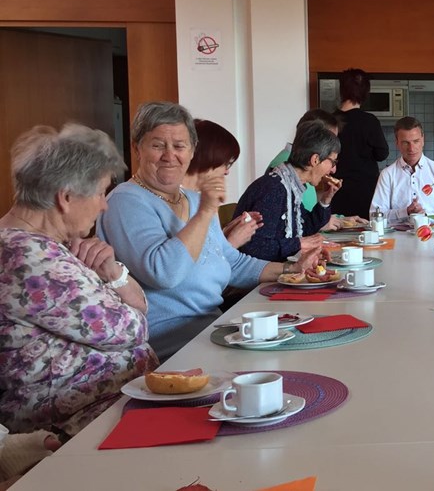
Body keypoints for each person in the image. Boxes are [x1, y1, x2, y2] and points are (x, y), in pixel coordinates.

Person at [98, 102, 321, 359]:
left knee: (307, 343)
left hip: (214, 329)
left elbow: (232, 262)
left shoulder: (192, 199)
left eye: (179, 146)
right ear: (138, 148)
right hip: (172, 344)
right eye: (157, 145)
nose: (170, 156)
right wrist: (205, 213)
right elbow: (163, 273)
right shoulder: (126, 201)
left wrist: (293, 269)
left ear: (192, 151)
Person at [0, 124, 157, 437]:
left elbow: (140, 306)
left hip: (107, 409)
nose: (104, 204)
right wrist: (119, 294)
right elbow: (133, 327)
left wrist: (112, 272)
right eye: (100, 192)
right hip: (75, 428)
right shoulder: (31, 259)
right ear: (66, 197)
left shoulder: (45, 245)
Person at [234, 120, 341, 261]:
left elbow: (305, 227)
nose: (333, 169)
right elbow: (255, 247)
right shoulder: (273, 189)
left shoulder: (290, 185)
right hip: (260, 279)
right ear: (315, 160)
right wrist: (299, 243)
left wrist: (325, 201)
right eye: (332, 162)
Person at [183, 119, 262, 249]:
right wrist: (232, 242)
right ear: (207, 157)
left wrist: (224, 234)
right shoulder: (178, 202)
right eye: (226, 163)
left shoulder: (201, 197)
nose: (227, 172)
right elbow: (191, 262)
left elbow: (206, 247)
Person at [369, 116, 434, 223]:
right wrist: (405, 212)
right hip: (397, 239)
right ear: (397, 143)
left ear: (423, 140)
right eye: (405, 142)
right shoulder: (387, 175)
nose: (411, 148)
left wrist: (426, 215)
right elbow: (374, 216)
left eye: (416, 141)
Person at [328, 68, 390, 218]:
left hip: (336, 188)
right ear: (365, 93)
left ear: (341, 91)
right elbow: (382, 153)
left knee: (338, 230)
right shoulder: (369, 121)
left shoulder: (329, 121)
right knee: (365, 232)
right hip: (365, 190)